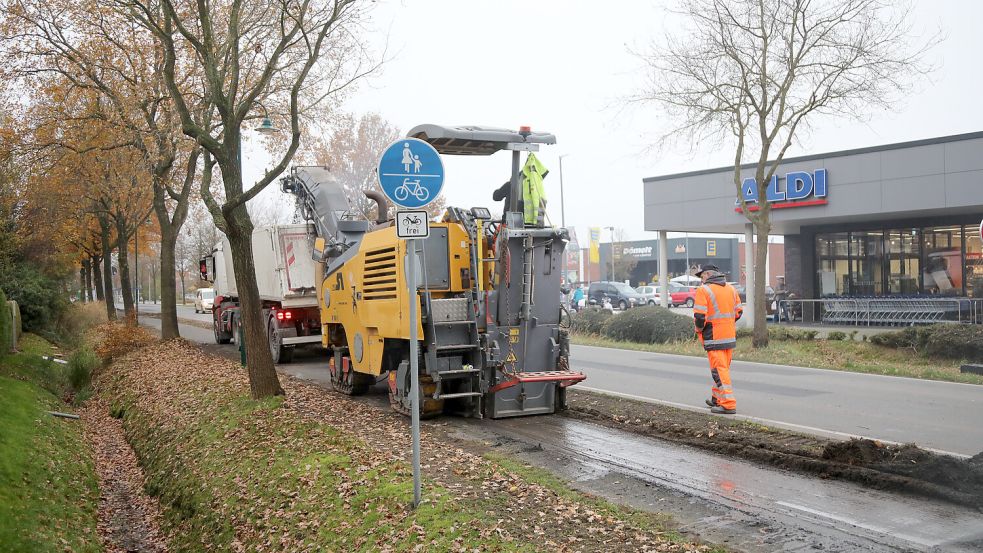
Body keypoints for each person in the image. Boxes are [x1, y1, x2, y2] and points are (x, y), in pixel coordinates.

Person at [693, 264, 742, 415]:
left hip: (713, 337)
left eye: (701, 277)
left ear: (708, 274)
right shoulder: (731, 289)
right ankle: (717, 399)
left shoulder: (704, 290)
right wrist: (726, 324)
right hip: (728, 336)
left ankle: (728, 404)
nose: (701, 280)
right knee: (723, 369)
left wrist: (699, 330)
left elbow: (700, 317)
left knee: (719, 371)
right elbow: (738, 312)